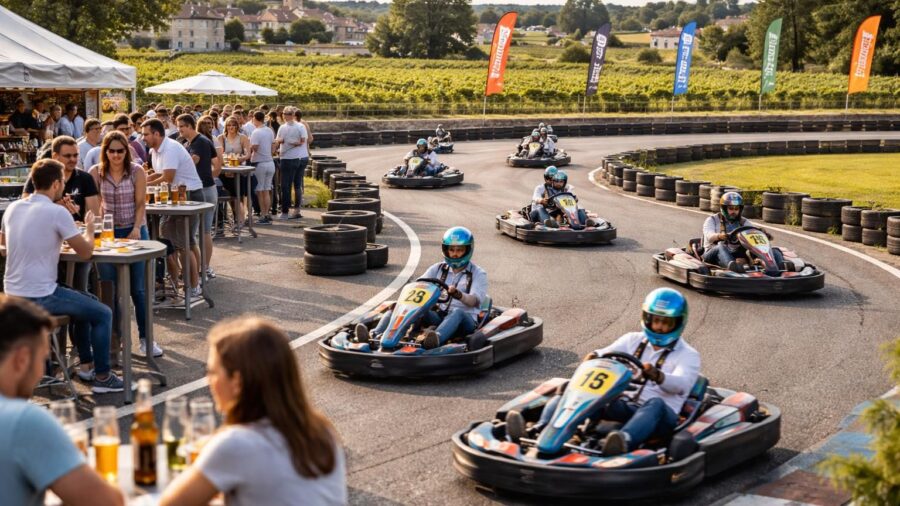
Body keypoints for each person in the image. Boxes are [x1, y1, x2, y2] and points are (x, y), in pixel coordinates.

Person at [160, 317, 347, 506]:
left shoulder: (236, 444)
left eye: (213, 372)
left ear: (237, 381)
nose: (209, 381)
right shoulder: (322, 431)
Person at [1, 159, 123, 393]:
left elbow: (4, 246)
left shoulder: (14, 208)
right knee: (103, 312)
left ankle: (86, 364)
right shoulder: (56, 212)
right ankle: (103, 376)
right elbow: (86, 252)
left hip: (13, 294)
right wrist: (88, 229)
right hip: (41, 296)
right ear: (57, 184)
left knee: (88, 301)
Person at [0, 295, 126, 506]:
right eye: (43, 359)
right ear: (21, 359)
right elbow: (107, 502)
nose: (41, 371)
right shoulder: (24, 421)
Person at [582, 287, 700, 456]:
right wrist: (594, 356)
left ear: (678, 323)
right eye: (656, 320)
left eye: (666, 323)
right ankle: (548, 427)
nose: (659, 327)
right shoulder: (632, 340)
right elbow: (605, 353)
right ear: (647, 318)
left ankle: (622, 441)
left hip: (661, 416)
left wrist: (658, 376)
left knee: (655, 403)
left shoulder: (688, 355)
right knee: (594, 393)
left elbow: (682, 385)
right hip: (627, 406)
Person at [87, 131, 161, 357]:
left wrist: (137, 228)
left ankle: (146, 338)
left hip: (134, 229)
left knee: (138, 289)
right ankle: (114, 341)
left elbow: (141, 204)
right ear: (105, 151)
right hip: (109, 234)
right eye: (112, 151)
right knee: (109, 289)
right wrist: (97, 231)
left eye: (120, 151)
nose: (116, 155)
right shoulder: (95, 172)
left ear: (126, 152)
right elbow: (94, 206)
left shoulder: (137, 171)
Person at [355, 227, 487, 350]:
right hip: (440, 316)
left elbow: (474, 301)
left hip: (465, 320)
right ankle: (374, 335)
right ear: (446, 250)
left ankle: (435, 339)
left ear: (467, 250)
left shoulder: (477, 273)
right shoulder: (438, 268)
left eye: (459, 250)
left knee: (457, 312)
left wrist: (458, 294)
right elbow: (420, 284)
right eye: (452, 250)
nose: (455, 254)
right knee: (401, 307)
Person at [22, 135, 101, 292]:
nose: (73, 159)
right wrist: (56, 206)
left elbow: (95, 213)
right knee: (54, 286)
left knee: (80, 287)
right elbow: (26, 205)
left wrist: (83, 219)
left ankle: (78, 308)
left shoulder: (84, 178)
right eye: (67, 156)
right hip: (48, 241)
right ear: (55, 156)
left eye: (75, 155)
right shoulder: (39, 176)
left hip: (76, 239)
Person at [143, 118, 204, 298]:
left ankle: (193, 286)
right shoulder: (155, 150)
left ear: (156, 133)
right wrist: (143, 179)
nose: (143, 137)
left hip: (188, 196)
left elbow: (167, 178)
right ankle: (178, 282)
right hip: (174, 199)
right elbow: (159, 173)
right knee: (170, 241)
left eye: (146, 134)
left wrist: (142, 185)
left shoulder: (169, 148)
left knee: (183, 243)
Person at [178, 114, 221, 278]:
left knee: (203, 231)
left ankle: (205, 267)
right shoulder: (191, 142)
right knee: (197, 231)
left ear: (189, 126)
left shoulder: (200, 142)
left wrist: (210, 178)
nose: (179, 130)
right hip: (202, 188)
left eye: (181, 126)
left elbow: (194, 161)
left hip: (204, 189)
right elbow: (215, 162)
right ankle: (199, 267)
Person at [702, 191, 783, 272]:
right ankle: (733, 268)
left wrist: (762, 234)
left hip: (735, 253)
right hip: (712, 253)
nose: (734, 211)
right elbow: (709, 236)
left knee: (775, 250)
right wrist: (720, 236)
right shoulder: (712, 220)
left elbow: (753, 232)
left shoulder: (743, 222)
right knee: (721, 246)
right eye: (731, 208)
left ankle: (779, 266)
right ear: (724, 208)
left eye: (736, 209)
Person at [274, 106, 308, 220]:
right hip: (298, 157)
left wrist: (288, 142)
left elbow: (302, 141)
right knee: (295, 185)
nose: (284, 115)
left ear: (292, 115)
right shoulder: (298, 126)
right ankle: (296, 209)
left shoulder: (290, 127)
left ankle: (285, 211)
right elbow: (278, 140)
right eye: (283, 113)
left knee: (286, 185)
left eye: (286, 113)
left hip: (291, 158)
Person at [217, 117, 251, 229]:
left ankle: (240, 219)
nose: (231, 127)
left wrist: (240, 159)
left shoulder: (242, 138)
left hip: (238, 169)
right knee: (230, 195)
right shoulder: (221, 138)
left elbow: (247, 154)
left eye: (233, 125)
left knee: (239, 195)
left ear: (237, 126)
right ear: (226, 126)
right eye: (229, 125)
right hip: (225, 171)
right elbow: (219, 155)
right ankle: (235, 217)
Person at [249, 111, 276, 225]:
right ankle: (267, 213)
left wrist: (248, 146)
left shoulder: (256, 132)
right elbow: (273, 144)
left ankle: (263, 215)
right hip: (270, 162)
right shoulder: (269, 130)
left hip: (260, 163)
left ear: (255, 119)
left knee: (260, 191)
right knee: (267, 190)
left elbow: (255, 147)